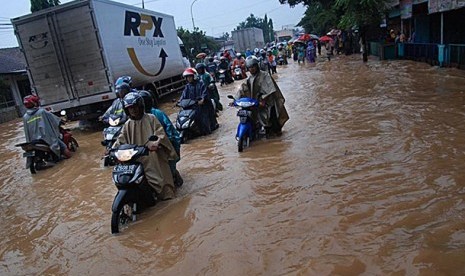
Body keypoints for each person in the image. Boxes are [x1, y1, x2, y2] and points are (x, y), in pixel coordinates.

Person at [114, 92, 178, 200]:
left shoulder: (151, 118)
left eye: (134, 107)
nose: (133, 110)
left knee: (162, 184)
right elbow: (121, 138)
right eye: (130, 108)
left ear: (140, 106)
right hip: (135, 157)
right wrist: (112, 149)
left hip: (152, 156)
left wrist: (155, 143)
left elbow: (160, 133)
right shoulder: (128, 124)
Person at [235, 56, 289, 136]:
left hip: (269, 104)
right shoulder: (249, 79)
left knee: (274, 124)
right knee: (258, 121)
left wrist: (263, 99)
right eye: (250, 67)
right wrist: (235, 100)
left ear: (257, 66)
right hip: (257, 104)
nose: (252, 69)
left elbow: (270, 89)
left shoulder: (265, 75)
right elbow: (242, 90)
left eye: (253, 66)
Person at [138, 90, 183, 187]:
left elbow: (168, 130)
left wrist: (165, 141)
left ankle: (174, 175)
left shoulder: (157, 114)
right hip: (145, 148)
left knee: (168, 169)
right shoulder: (135, 120)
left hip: (161, 145)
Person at [22, 94, 72, 159]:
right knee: (62, 146)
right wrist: (60, 121)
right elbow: (54, 119)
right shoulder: (42, 111)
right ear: (35, 103)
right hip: (46, 138)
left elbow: (27, 131)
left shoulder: (25, 117)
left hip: (33, 140)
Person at [179, 68, 216, 135]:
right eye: (187, 77)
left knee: (204, 121)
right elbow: (183, 96)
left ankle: (207, 130)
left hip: (202, 105)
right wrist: (179, 102)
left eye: (190, 77)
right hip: (191, 106)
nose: (188, 79)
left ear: (194, 76)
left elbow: (204, 93)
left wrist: (202, 99)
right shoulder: (187, 86)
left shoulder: (201, 84)